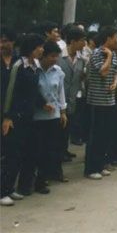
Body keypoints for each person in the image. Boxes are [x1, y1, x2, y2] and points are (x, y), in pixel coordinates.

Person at [1, 34, 45, 205]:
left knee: (21, 154)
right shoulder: (18, 65)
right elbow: (10, 91)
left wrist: (44, 103)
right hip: (15, 117)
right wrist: (7, 116)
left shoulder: (35, 66)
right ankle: (2, 191)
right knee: (11, 154)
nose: (41, 50)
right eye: (39, 47)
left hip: (29, 116)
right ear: (31, 48)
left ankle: (10, 188)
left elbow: (34, 90)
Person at [19, 41, 68, 194]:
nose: (55, 59)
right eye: (52, 56)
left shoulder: (58, 71)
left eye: (56, 56)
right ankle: (26, 184)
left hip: (53, 116)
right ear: (43, 56)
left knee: (48, 151)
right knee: (33, 152)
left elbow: (60, 92)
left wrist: (63, 111)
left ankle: (41, 181)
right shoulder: (34, 70)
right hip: (36, 117)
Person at [84, 26, 117, 180]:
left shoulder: (115, 54)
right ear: (108, 38)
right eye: (116, 37)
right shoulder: (97, 54)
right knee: (96, 136)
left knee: (105, 135)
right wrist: (109, 56)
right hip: (96, 101)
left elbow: (115, 73)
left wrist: (115, 83)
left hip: (109, 100)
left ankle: (100, 165)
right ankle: (91, 168)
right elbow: (103, 72)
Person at [56, 26, 86, 156]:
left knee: (68, 126)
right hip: (58, 99)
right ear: (73, 41)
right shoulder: (58, 56)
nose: (84, 43)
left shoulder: (81, 59)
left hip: (72, 99)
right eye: (82, 40)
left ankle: (64, 150)